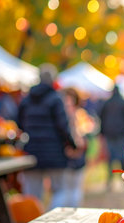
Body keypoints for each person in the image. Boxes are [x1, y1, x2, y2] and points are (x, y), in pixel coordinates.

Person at [17, 64, 76, 210]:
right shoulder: (56, 99)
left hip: (32, 151)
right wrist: (72, 143)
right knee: (59, 190)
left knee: (32, 194)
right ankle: (52, 221)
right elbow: (63, 126)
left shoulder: (26, 100)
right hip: (54, 152)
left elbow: (19, 125)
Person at [99, 86, 124, 189]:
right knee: (121, 155)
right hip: (120, 132)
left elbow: (101, 117)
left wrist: (102, 131)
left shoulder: (107, 103)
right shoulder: (123, 102)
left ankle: (110, 179)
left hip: (109, 132)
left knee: (110, 156)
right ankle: (123, 179)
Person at [62, 88, 90, 207]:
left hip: (73, 152)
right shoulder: (78, 114)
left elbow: (82, 135)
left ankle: (74, 210)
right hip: (70, 153)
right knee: (69, 188)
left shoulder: (77, 114)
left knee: (73, 188)